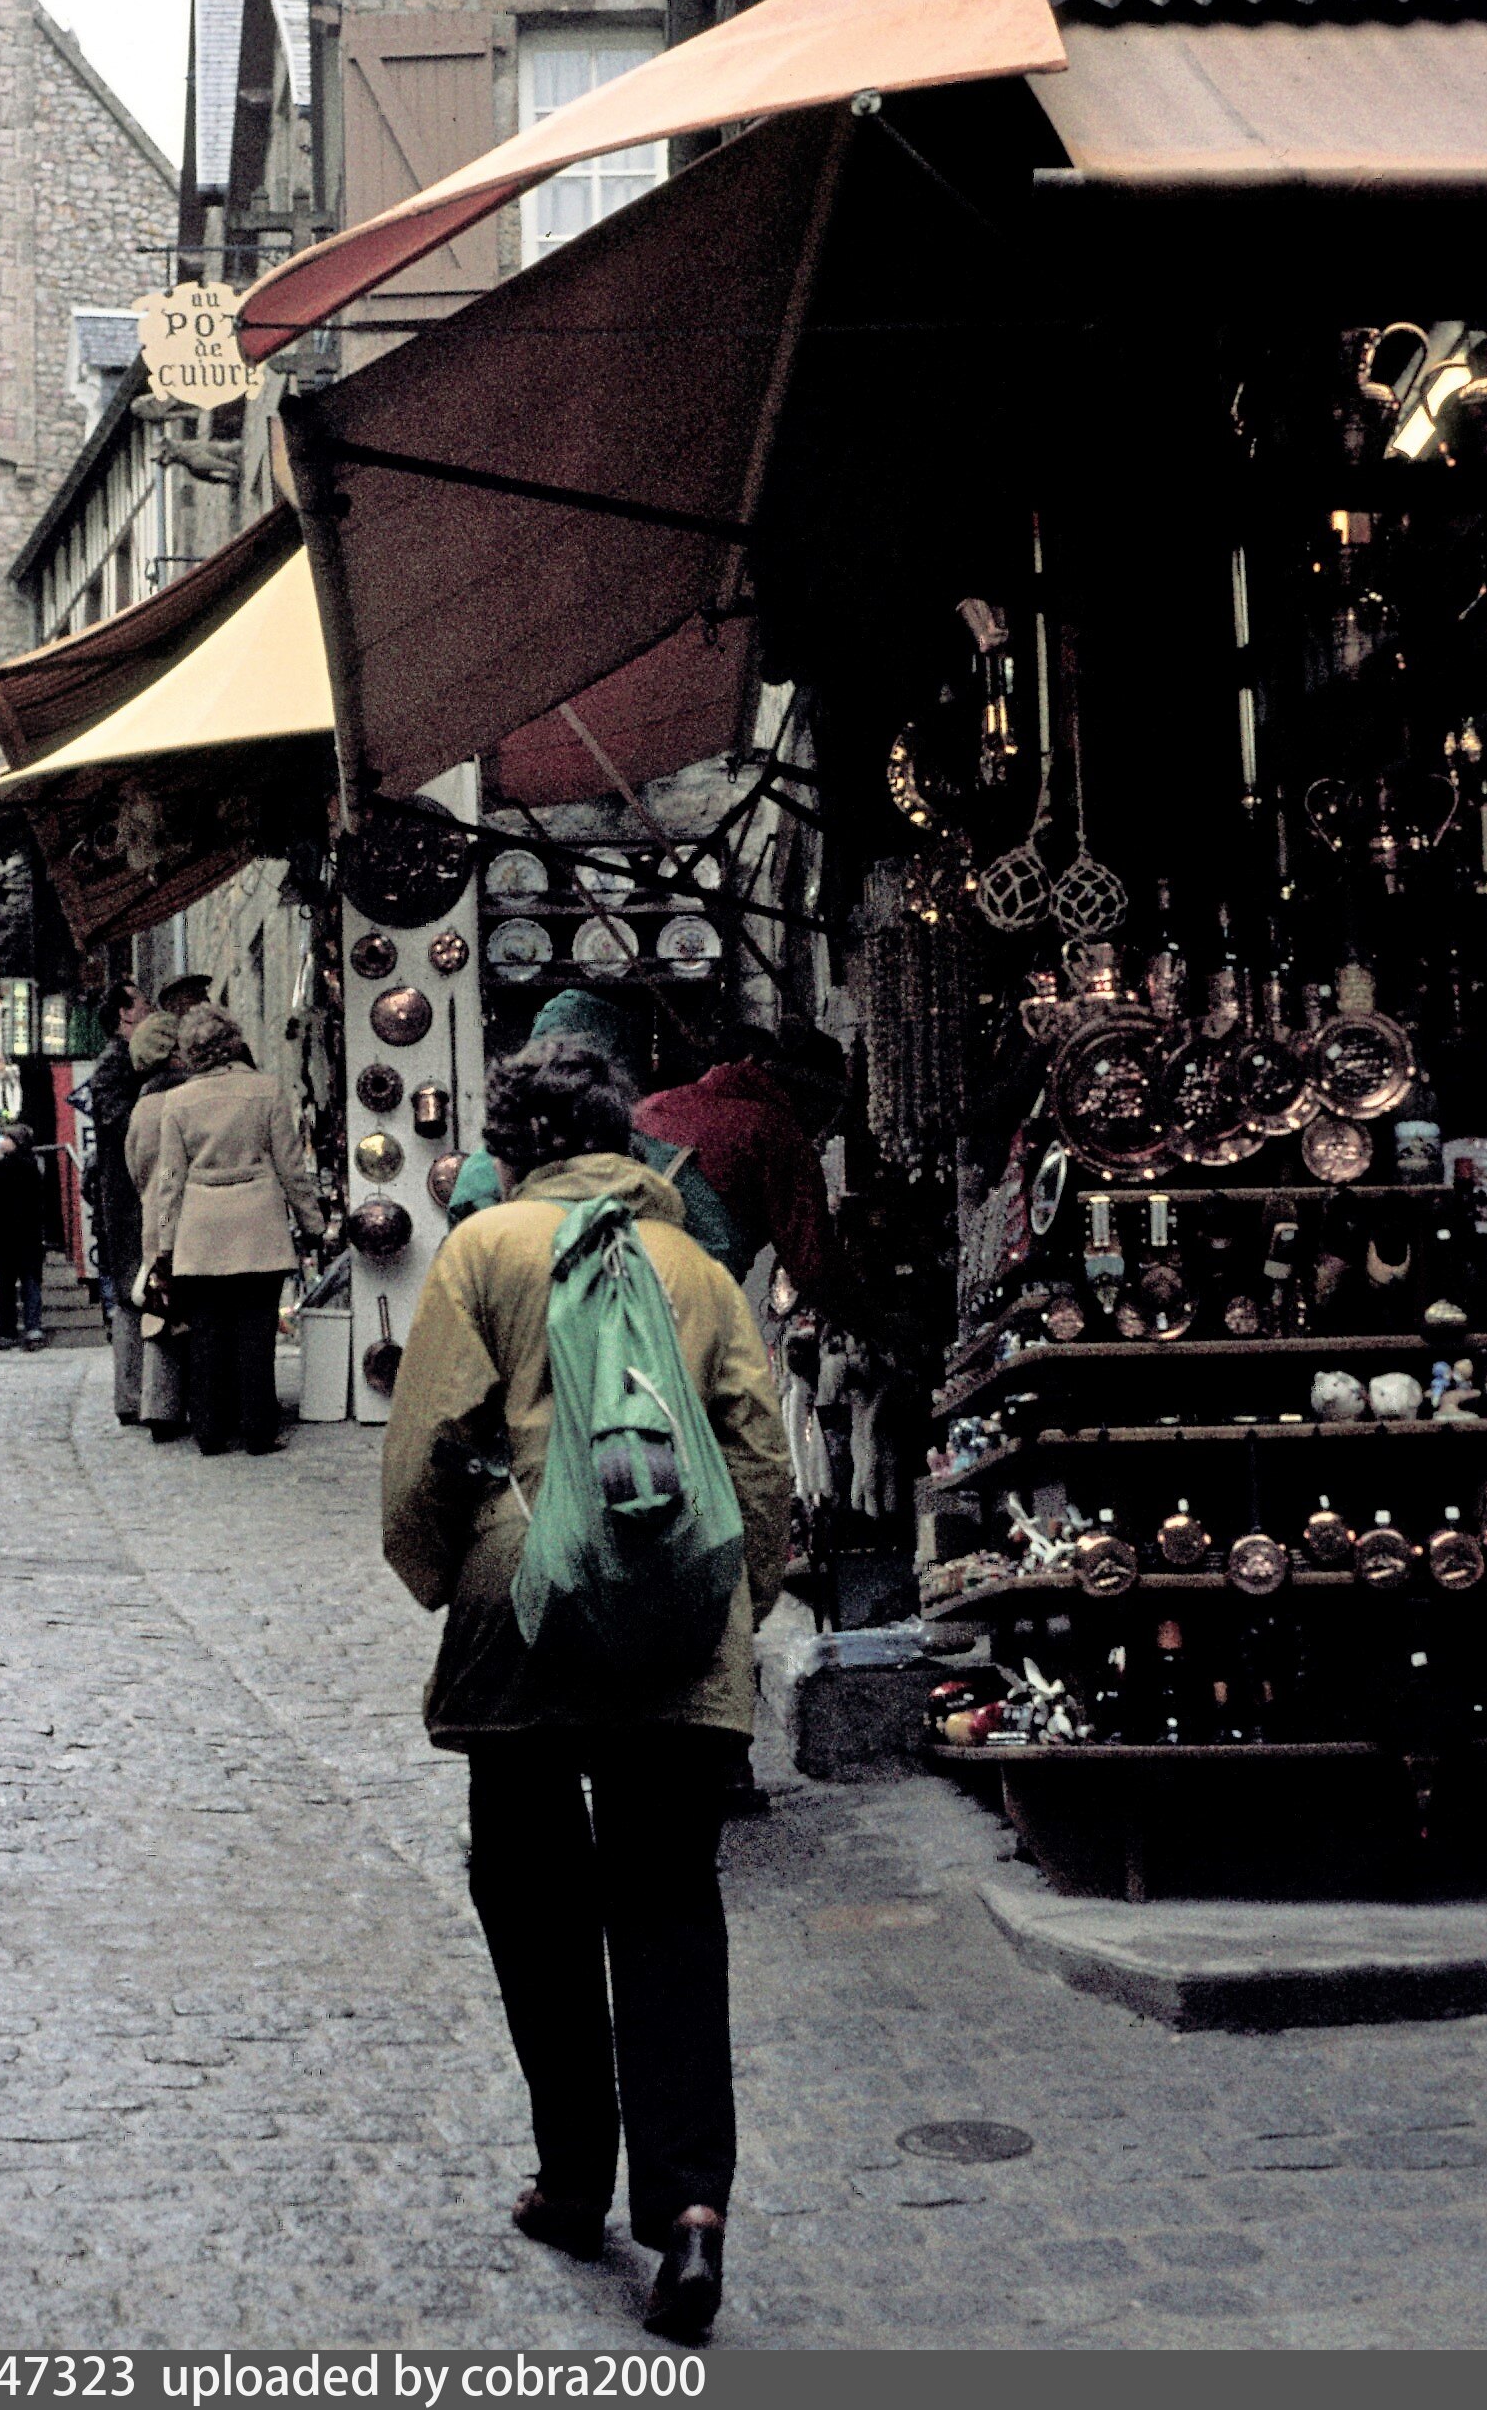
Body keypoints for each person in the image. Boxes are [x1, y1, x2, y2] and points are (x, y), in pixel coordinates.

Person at [381, 1036, 789, 2341]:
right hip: (676, 1614)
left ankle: (571, 2179)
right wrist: (736, 1600)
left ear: (513, 1146)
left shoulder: (482, 1250)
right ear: (626, 1139)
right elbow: (759, 1454)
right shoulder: (697, 1266)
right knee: (670, 1904)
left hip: (524, 1618)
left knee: (534, 1900)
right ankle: (692, 2208)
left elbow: (429, 1446)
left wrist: (446, 1575)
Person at [445, 990, 737, 1268]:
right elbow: (719, 1251)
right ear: (613, 1079)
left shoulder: (484, 1167)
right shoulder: (662, 1162)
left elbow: (463, 1265)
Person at [148, 1005, 323, 1457]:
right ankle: (258, 1430)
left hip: (200, 1234)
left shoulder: (177, 1102)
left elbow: (169, 1181)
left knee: (206, 1336)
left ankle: (209, 1431)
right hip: (258, 1229)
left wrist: (165, 1242)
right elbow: (291, 1168)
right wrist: (312, 1223)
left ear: (190, 1051)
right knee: (256, 1335)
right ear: (233, 1042)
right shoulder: (266, 1091)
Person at [633, 1020, 848, 1297]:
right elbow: (814, 1270)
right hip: (677, 1291)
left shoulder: (659, 1104)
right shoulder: (778, 1134)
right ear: (810, 1097)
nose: (824, 1128)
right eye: (827, 1111)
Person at [122, 1013, 191, 1440]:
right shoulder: (188, 1097)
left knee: (159, 1308)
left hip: (155, 1214)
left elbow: (136, 1167)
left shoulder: (143, 1106)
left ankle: (160, 1407)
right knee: (197, 1310)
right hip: (193, 1211)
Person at [88, 980, 152, 1423]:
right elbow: (124, 1125)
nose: (149, 1006)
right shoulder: (115, 1063)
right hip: (128, 1197)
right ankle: (131, 1397)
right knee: (133, 1292)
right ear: (125, 1014)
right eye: (141, 1001)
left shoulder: (129, 1060)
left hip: (137, 1192)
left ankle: (142, 1394)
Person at [0, 1124, 47, 1351]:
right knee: (31, 1283)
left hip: (5, 1235)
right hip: (29, 1235)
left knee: (6, 1286)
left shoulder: (1, 1168)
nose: (2, 1142)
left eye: (7, 1138)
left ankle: (7, 1332)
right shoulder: (35, 1166)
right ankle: (33, 1329)